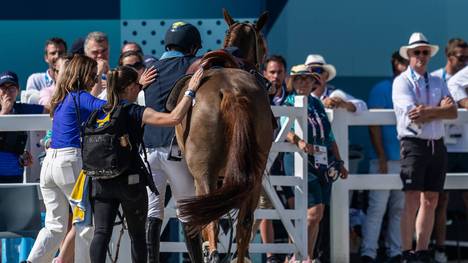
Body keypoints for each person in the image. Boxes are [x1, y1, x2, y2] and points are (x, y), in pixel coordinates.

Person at [88, 65, 204, 263]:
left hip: (101, 180)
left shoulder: (98, 108)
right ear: (129, 87)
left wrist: (137, 84)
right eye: (137, 85)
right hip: (129, 180)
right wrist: (190, 91)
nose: (140, 88)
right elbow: (174, 118)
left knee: (101, 233)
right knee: (138, 235)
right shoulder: (134, 111)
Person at [26, 55, 106, 263]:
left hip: (50, 165)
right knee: (84, 223)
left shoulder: (61, 99)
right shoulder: (80, 97)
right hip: (70, 164)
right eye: (93, 76)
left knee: (54, 227)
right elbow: (112, 109)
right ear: (84, 75)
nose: (95, 80)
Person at [393, 32, 457, 262]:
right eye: (417, 52)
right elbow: (414, 115)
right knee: (411, 199)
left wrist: (429, 111)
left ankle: (421, 250)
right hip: (414, 144)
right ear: (409, 55)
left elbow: (453, 112)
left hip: (436, 145)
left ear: (429, 55)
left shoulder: (439, 81)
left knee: (431, 199)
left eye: (424, 52)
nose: (421, 55)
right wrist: (439, 110)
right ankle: (405, 251)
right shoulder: (401, 81)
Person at [143, 21, 203, 263]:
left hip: (147, 151)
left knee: (153, 211)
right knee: (187, 210)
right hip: (173, 149)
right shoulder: (192, 65)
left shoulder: (149, 70)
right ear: (191, 48)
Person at [283, 64, 348, 262]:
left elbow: (329, 136)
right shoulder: (288, 102)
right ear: (292, 82)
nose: (303, 82)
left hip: (321, 160)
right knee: (313, 211)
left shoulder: (317, 104)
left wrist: (339, 160)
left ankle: (305, 256)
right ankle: (298, 255)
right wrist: (299, 141)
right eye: (299, 79)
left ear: (313, 82)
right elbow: (282, 129)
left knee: (317, 214)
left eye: (307, 78)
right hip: (299, 159)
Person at [360, 52, 408, 263]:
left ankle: (395, 252)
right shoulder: (382, 89)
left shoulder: (413, 90)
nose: (409, 64)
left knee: (399, 209)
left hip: (405, 161)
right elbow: (374, 124)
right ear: (396, 64)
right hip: (383, 161)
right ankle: (368, 253)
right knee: (377, 208)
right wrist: (381, 156)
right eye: (405, 61)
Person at [431, 38, 468, 263]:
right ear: (448, 56)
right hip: (443, 145)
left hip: (466, 146)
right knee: (440, 198)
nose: (464, 62)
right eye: (460, 57)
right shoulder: (435, 79)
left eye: (467, 58)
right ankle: (440, 249)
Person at [0, 71, 44, 263]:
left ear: (18, 90)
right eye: (3, 88)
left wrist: (22, 155)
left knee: (17, 229)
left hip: (15, 179)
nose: (7, 91)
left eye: (11, 87)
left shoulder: (22, 108)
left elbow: (49, 110)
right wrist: (3, 113)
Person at [84, 31, 110, 100]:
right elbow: (91, 101)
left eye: (104, 51)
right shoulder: (79, 76)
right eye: (95, 52)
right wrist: (99, 71)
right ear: (86, 53)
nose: (100, 55)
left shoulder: (115, 74)